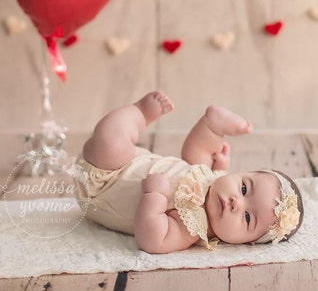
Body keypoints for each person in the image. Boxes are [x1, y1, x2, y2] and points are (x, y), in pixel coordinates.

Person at [75, 91, 303, 254]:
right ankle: (212, 125)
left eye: (247, 218)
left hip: (101, 186)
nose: (236, 202)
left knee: (110, 144)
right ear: (241, 173)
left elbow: (153, 240)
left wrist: (154, 196)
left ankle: (139, 114)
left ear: (246, 242)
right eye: (244, 188)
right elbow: (192, 157)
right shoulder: (215, 181)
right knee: (198, 155)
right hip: (134, 158)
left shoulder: (194, 227)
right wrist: (221, 165)